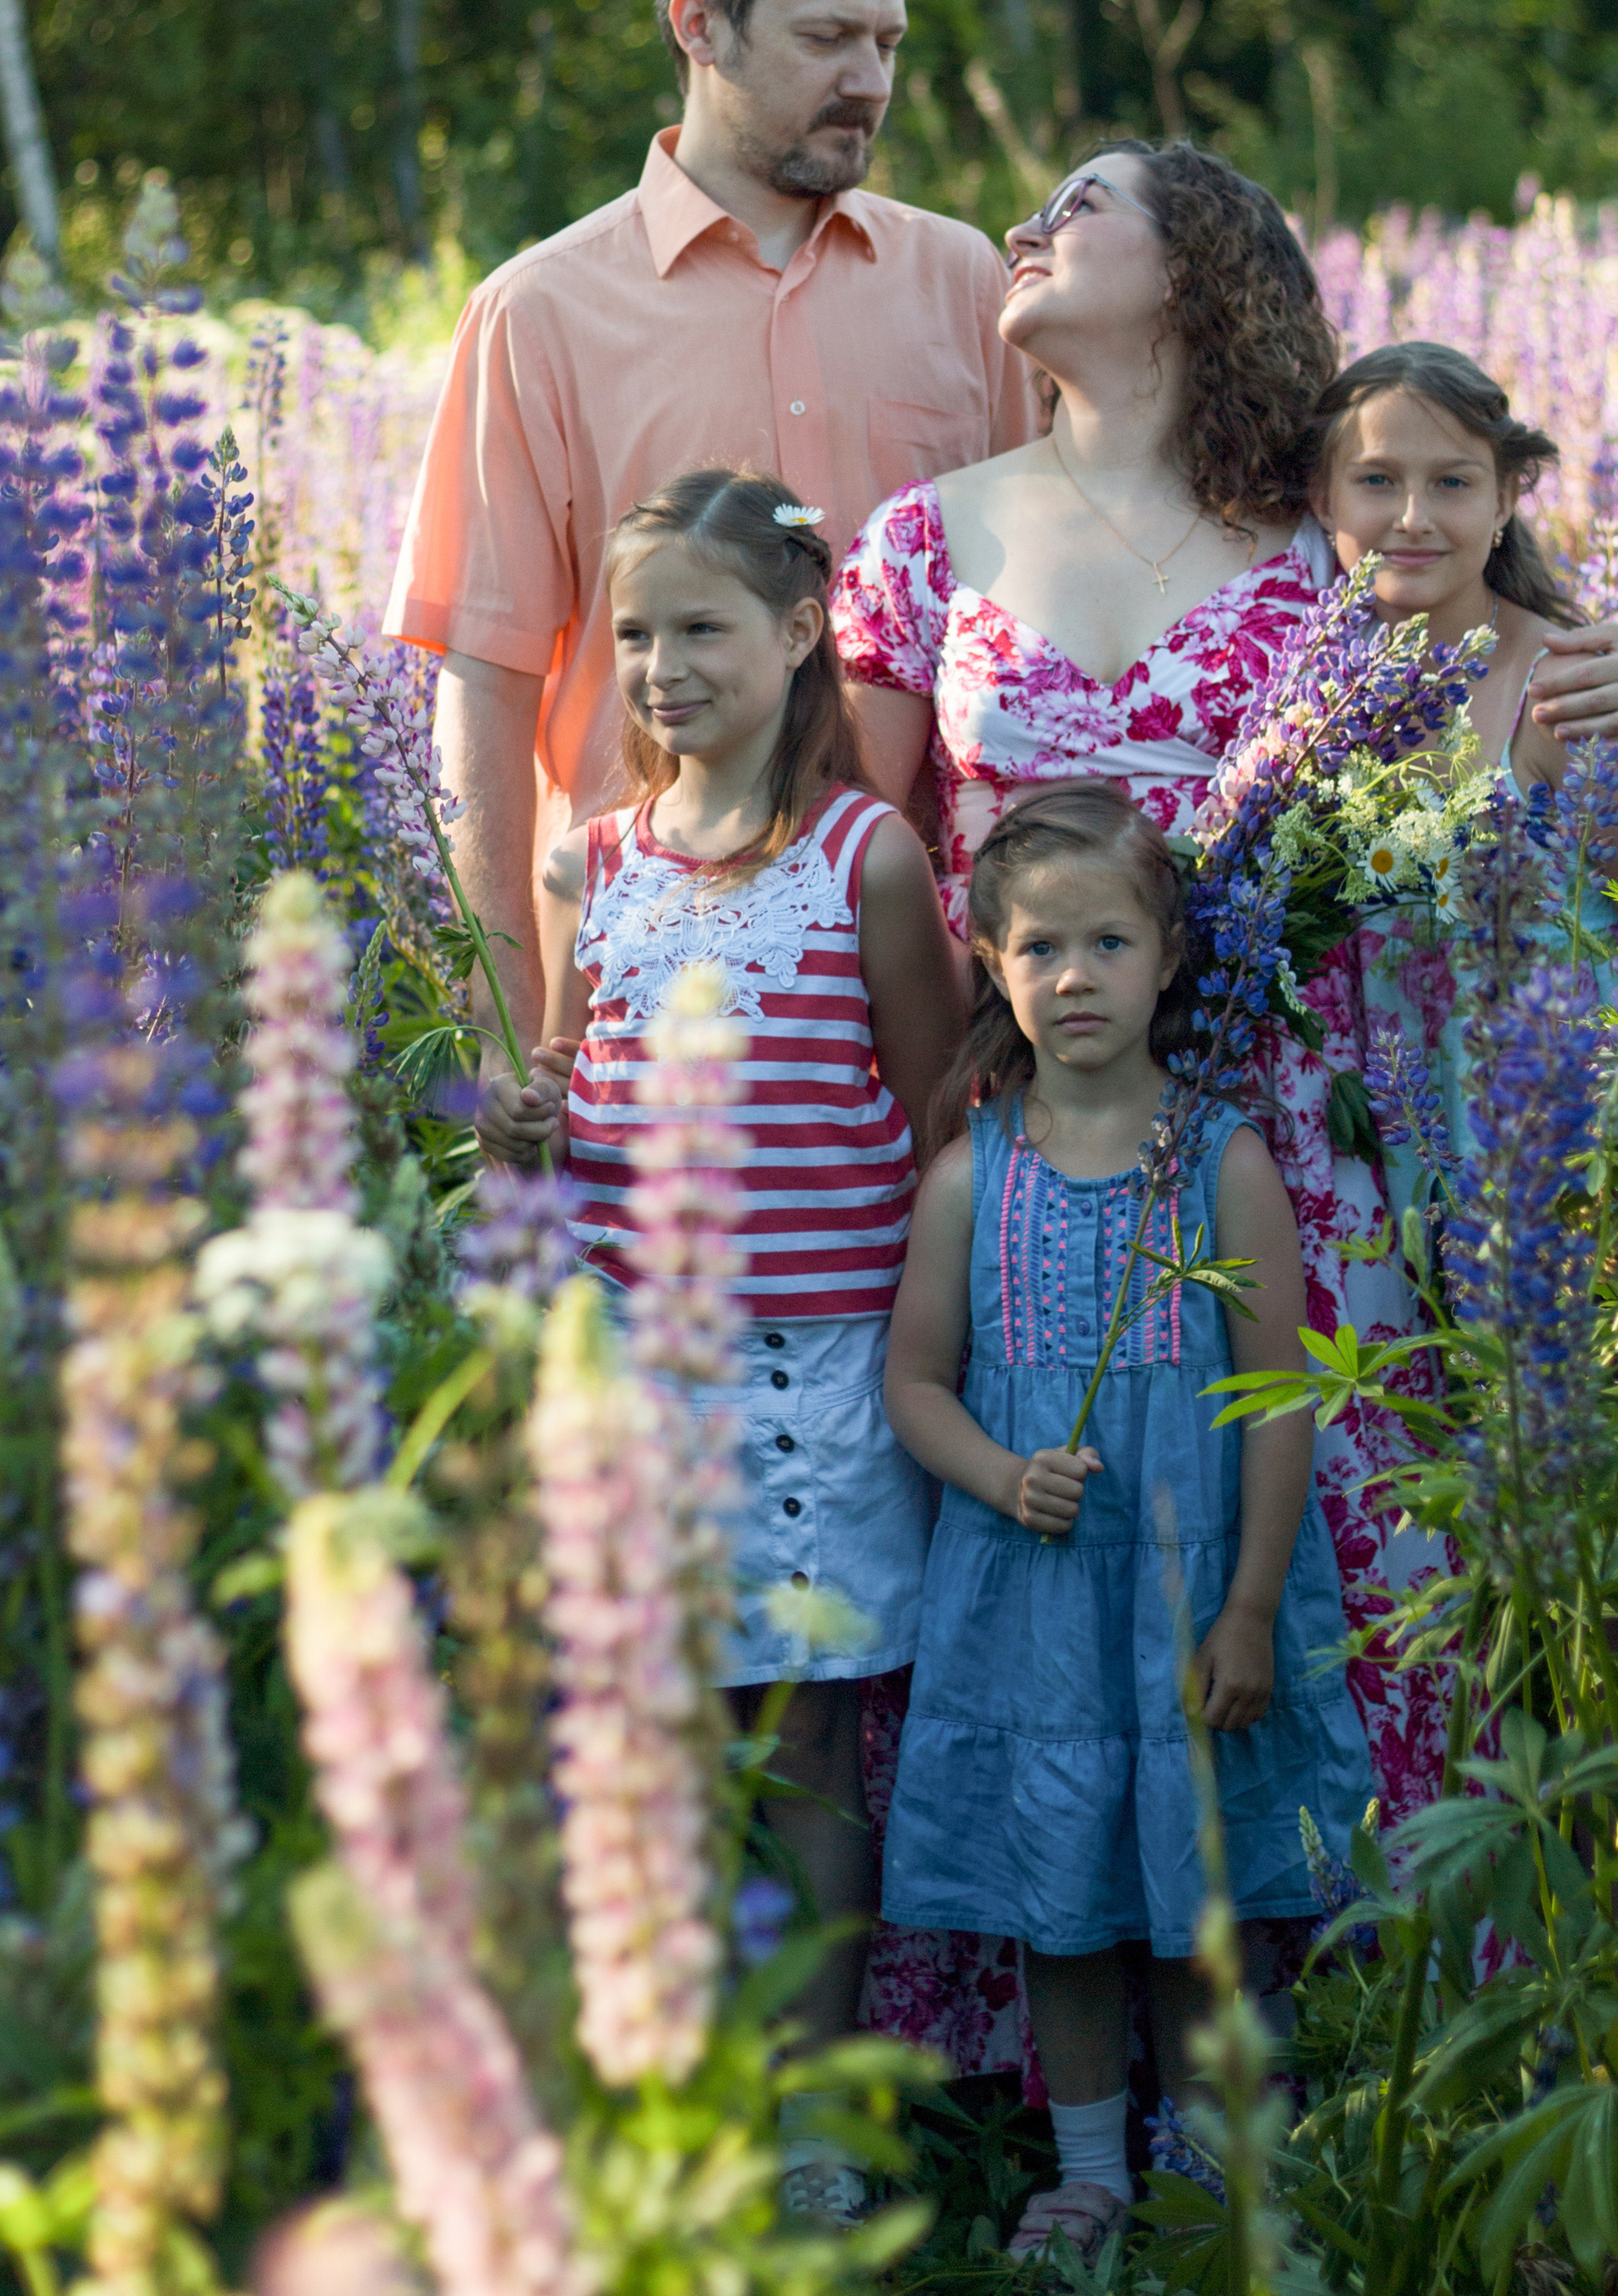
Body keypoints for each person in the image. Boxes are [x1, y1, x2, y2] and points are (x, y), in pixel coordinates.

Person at [830, 140, 1618, 2070]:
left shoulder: (1309, 524)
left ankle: (1362, 2040)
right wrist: (934, 1144)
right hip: (1038, 1140)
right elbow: (868, 862)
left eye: (1082, 195)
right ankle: (1061, 2060)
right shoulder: (922, 536)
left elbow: (1517, 624)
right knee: (1056, 1549)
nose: (1025, 222)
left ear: (1198, 263)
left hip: (1304, 1135)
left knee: (1326, 1554)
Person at [380, 0, 1034, 1143]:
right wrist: (511, 1014)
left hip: (942, 978)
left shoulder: (964, 285)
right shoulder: (543, 312)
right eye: (827, 36)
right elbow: (489, 685)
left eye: (889, 38)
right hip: (653, 988)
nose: (872, 79)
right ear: (699, 24)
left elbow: (1042, 600)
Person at [495, 469, 966, 2227]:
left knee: (807, 1749)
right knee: (656, 1739)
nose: (662, 666)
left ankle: (819, 2108)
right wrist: (522, 1130)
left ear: (795, 632)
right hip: (636, 1360)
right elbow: (564, 1096)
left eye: (700, 627)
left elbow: (936, 1120)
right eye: (632, 634)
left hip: (810, 1377)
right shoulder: (595, 859)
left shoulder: (868, 855)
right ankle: (674, 2086)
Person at [881, 788, 1373, 2267]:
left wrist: (1249, 1604)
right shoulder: (974, 1175)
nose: (1077, 976)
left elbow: (1278, 1398)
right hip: (1034, 1609)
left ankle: (1224, 2158)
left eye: (1111, 941)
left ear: (1172, 961)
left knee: (1199, 1882)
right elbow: (912, 1383)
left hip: (1193, 1587)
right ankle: (1088, 2169)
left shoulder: (1220, 1161)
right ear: (990, 962)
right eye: (1041, 947)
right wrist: (993, 1470)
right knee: (1066, 1897)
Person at [1307, 341, 1618, 1231]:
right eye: (1375, 481)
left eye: (1452, 484)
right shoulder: (1304, 690)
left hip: (1553, 1131)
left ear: (1504, 500)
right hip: (1377, 1144)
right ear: (1322, 500)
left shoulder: (1567, 686)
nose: (1411, 517)